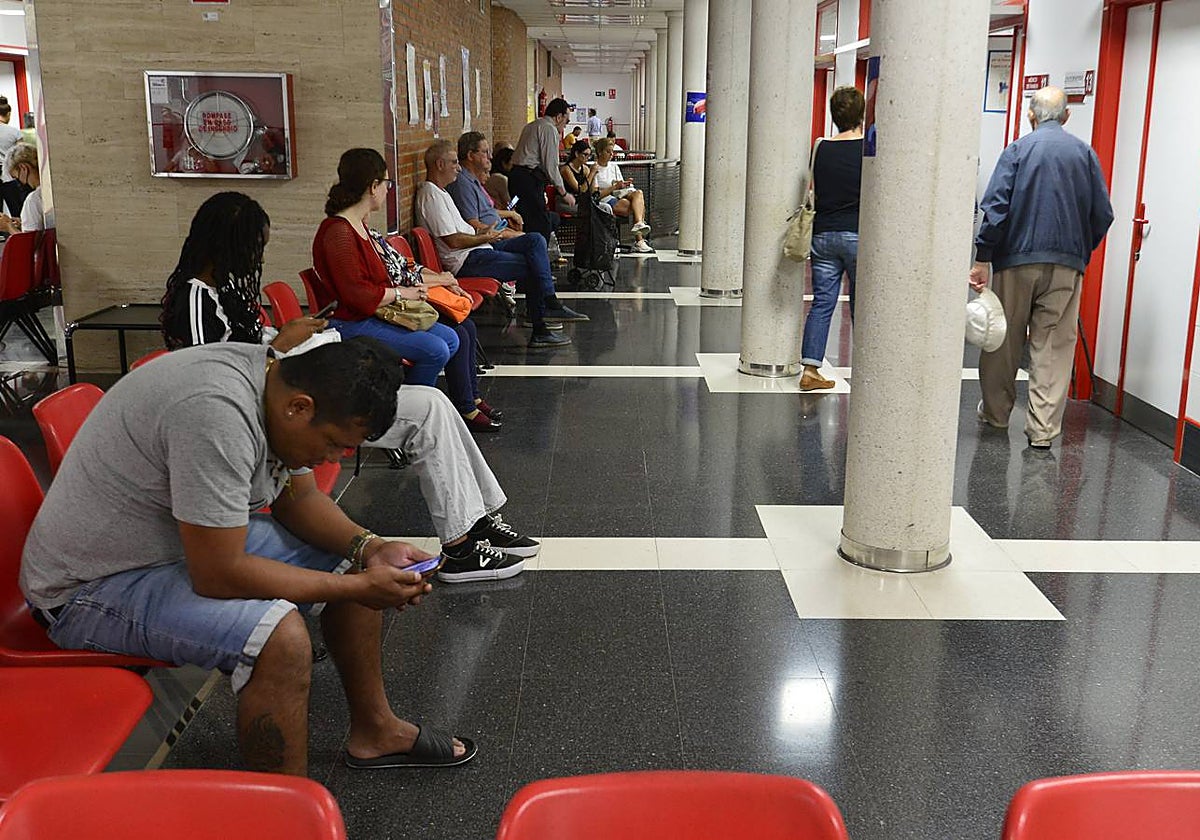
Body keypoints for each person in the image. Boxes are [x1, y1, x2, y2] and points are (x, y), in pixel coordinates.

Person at [19, 336, 484, 775]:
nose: (332, 458)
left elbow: (297, 500)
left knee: (357, 564)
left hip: (173, 542)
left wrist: (371, 547)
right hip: (88, 584)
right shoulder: (215, 413)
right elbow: (220, 574)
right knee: (280, 641)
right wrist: (355, 588)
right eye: (333, 443)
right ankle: (282, 816)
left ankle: (376, 730)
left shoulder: (277, 380)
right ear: (299, 409)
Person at [161, 191, 536, 583]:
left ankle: (474, 521)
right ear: (227, 245)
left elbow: (253, 349)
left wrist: (292, 342)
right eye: (254, 248)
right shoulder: (194, 297)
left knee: (432, 403)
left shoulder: (231, 289)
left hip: (295, 393)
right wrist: (280, 345)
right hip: (273, 418)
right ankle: (459, 548)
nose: (257, 259)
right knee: (427, 396)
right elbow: (211, 376)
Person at [312, 148, 498, 433]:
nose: (388, 189)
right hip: (349, 322)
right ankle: (403, 420)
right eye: (386, 183)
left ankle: (408, 403)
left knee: (450, 338)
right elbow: (358, 297)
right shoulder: (338, 232)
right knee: (436, 348)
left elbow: (397, 268)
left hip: (374, 313)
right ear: (372, 186)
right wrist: (404, 294)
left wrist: (435, 281)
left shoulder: (360, 227)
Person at [970, 86, 1114, 449]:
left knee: (1004, 341)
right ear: (1066, 117)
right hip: (1066, 264)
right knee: (1052, 346)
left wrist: (983, 256)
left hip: (1015, 262)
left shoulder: (1017, 151)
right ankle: (1042, 430)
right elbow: (1103, 214)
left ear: (1030, 117)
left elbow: (996, 208)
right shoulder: (1084, 154)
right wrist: (1079, 252)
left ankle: (996, 413)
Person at [417, 139, 588, 349]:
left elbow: (465, 230)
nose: (458, 167)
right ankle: (542, 323)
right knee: (533, 265)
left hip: (478, 250)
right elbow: (453, 240)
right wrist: (487, 237)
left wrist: (492, 233)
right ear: (439, 165)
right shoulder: (431, 195)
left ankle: (549, 305)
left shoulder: (442, 192)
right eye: (453, 162)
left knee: (535, 240)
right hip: (467, 259)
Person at [798, 86, 864, 391]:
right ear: (862, 114)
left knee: (822, 303)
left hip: (823, 234)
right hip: (858, 234)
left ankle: (810, 369)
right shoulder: (869, 151)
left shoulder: (820, 147)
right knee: (862, 306)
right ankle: (868, 368)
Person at [509, 97, 574, 241]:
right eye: (567, 121)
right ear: (559, 117)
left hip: (516, 178)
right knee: (540, 224)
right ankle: (537, 259)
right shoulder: (549, 129)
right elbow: (551, 166)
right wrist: (564, 193)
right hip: (529, 181)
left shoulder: (531, 125)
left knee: (525, 219)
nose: (565, 126)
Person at [447, 132, 524, 238]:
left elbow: (488, 212)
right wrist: (507, 233)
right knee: (536, 240)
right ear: (470, 155)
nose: (490, 157)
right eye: (485, 152)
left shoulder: (473, 181)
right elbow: (473, 224)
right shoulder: (463, 183)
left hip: (497, 231)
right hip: (489, 239)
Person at [592, 138, 652, 254]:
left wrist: (624, 185)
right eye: (608, 152)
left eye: (612, 152)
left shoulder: (614, 166)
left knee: (638, 193)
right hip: (607, 199)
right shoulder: (594, 169)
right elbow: (596, 194)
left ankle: (639, 225)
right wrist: (613, 187)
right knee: (638, 207)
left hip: (619, 194)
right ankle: (639, 239)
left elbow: (620, 184)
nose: (611, 155)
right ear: (600, 152)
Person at [0, 143, 41, 234]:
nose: (18, 183)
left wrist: (8, 227)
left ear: (23, 168)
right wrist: (23, 223)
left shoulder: (33, 200)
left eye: (16, 177)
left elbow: (28, 244)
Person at [0, 96, 24, 218]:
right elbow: (21, 155)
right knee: (17, 209)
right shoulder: (14, 132)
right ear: (8, 113)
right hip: (9, 176)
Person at [559, 140, 594, 212]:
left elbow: (590, 190)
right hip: (566, 202)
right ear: (577, 154)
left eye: (589, 155)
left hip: (580, 201)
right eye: (585, 154)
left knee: (604, 207)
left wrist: (594, 177)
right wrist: (592, 174)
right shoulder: (566, 169)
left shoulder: (585, 169)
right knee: (591, 211)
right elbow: (580, 190)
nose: (587, 158)